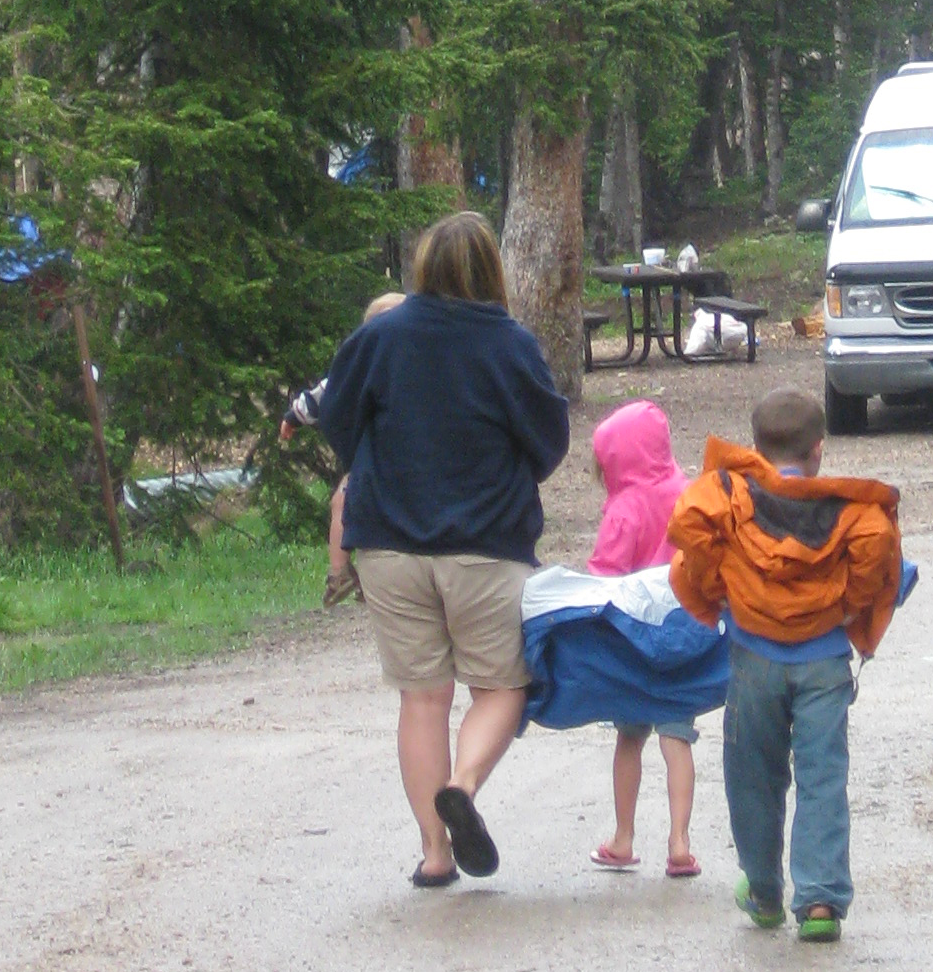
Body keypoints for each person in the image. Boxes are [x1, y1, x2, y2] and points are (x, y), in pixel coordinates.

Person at [313, 212, 570, 889]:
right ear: (492, 269)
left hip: (389, 544)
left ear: (423, 266)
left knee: (422, 700)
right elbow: (549, 439)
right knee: (502, 685)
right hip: (486, 544)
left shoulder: (381, 336)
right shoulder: (509, 343)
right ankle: (463, 783)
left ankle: (434, 853)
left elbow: (338, 413)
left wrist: (372, 463)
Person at [667, 383, 903, 944]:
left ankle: (766, 891)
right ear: (818, 450)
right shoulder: (851, 512)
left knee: (752, 774)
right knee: (823, 776)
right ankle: (820, 900)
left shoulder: (725, 499)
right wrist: (846, 607)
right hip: (823, 660)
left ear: (755, 448)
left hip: (753, 657)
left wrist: (720, 593)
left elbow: (691, 549)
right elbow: (877, 558)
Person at [582, 401, 700, 879]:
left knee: (629, 738)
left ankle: (623, 837)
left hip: (634, 638)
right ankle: (679, 841)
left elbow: (604, 574)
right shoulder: (688, 493)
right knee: (678, 738)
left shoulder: (625, 509)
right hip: (684, 632)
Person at [284, 288, 403, 607]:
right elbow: (323, 393)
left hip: (404, 466)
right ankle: (340, 574)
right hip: (368, 463)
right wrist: (294, 417)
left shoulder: (414, 370)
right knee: (342, 502)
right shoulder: (356, 371)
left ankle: (373, 577)